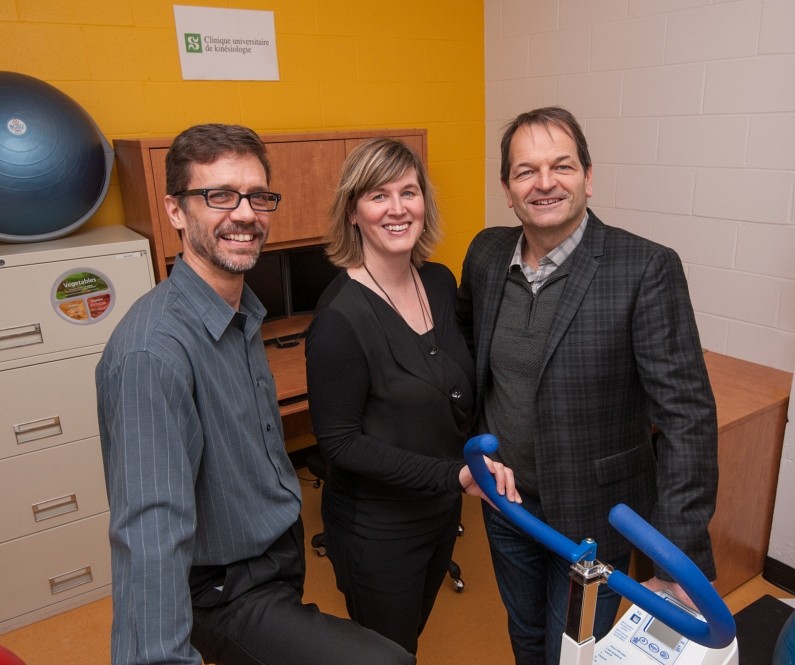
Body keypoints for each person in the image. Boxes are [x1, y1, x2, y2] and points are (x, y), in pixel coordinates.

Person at [96, 124, 414, 665]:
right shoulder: (153, 353)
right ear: (175, 210)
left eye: (257, 196)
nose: (244, 213)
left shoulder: (241, 315)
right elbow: (149, 536)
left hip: (273, 559)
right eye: (218, 195)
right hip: (223, 591)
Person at [457, 107, 719, 665]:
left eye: (562, 166)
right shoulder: (484, 254)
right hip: (508, 504)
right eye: (525, 171)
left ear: (589, 178)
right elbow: (467, 364)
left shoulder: (644, 267)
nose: (544, 182)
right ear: (507, 189)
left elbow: (686, 416)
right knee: (525, 634)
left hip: (595, 516)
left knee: (574, 650)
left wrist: (677, 560)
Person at [304, 137, 520, 655]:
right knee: (388, 653)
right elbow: (340, 444)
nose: (398, 209)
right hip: (377, 531)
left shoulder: (440, 283)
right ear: (353, 212)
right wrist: (453, 475)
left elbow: (458, 388)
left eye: (409, 192)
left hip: (441, 514)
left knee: (409, 640)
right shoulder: (339, 319)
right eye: (378, 196)